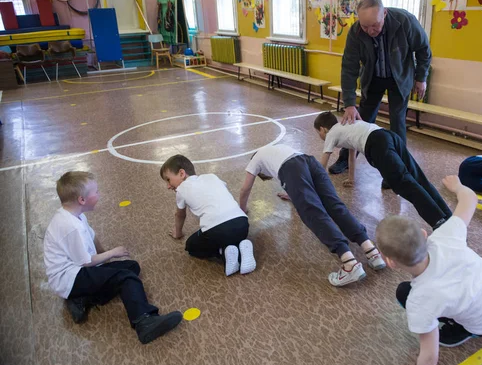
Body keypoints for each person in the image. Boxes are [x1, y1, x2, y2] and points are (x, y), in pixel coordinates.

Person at [376, 175, 482, 365]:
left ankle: (459, 330)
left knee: (404, 293)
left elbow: (430, 355)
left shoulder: (420, 300)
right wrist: (458, 186)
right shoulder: (445, 235)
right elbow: (469, 199)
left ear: (391, 262)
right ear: (424, 235)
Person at [44, 171, 182, 344]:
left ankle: (84, 298)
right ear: (82, 200)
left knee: (131, 267)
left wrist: (107, 260)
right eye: (96, 192)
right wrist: (112, 253)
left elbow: (92, 237)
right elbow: (86, 262)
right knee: (125, 278)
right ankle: (144, 321)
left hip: (78, 270)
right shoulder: (70, 227)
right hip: (69, 278)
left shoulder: (76, 214)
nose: (99, 194)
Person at [239, 144, 385, 287]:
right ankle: (372, 252)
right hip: (310, 162)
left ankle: (349, 264)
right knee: (335, 206)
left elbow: (245, 189)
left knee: (314, 213)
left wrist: (242, 210)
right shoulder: (274, 149)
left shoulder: (255, 160)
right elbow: (297, 166)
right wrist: (293, 193)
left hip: (292, 170)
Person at [330, 0, 432, 181]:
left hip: (399, 78)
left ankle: (396, 169)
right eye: (365, 26)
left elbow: (424, 49)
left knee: (397, 123)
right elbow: (349, 67)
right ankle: (345, 159)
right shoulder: (355, 32)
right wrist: (350, 104)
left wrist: (421, 78)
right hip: (373, 77)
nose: (370, 31)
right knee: (360, 120)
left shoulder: (405, 21)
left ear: (384, 13)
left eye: (374, 25)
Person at [314, 111, 451, 229]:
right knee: (417, 178)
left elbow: (323, 164)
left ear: (323, 129)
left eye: (318, 132)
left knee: (403, 183)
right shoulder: (345, 126)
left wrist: (313, 185)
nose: (319, 136)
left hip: (377, 144)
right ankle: (447, 216)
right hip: (389, 136)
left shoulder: (331, 133)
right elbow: (352, 155)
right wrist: (351, 178)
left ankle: (438, 221)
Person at [160, 155, 256, 276]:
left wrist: (177, 233)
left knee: (191, 246)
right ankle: (242, 246)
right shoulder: (212, 176)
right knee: (228, 233)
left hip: (217, 231)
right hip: (242, 223)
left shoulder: (181, 190)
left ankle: (222, 252)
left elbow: (180, 215)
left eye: (168, 180)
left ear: (181, 173)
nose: (168, 186)